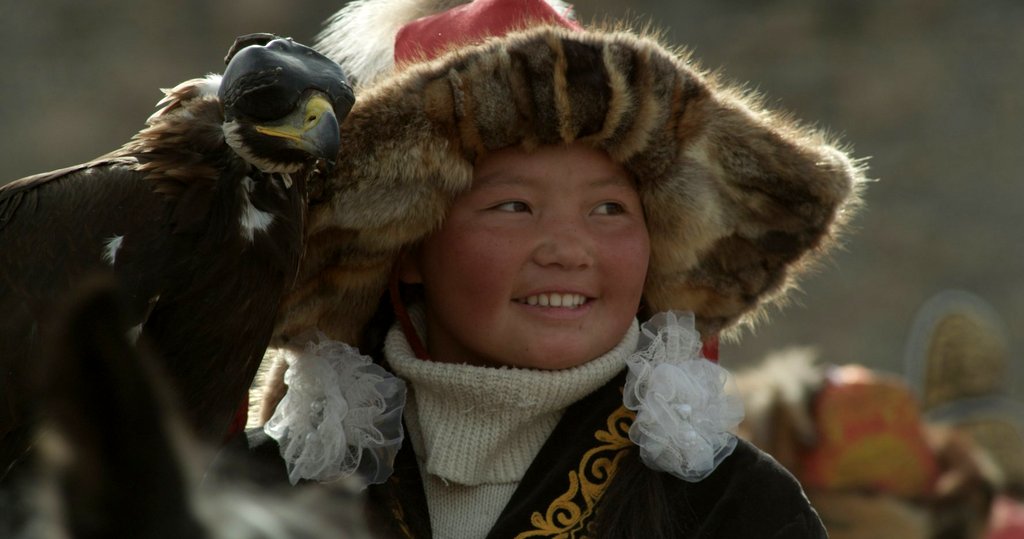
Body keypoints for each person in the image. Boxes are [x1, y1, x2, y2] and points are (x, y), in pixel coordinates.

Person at [232, 0, 867, 537]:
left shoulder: (734, 512)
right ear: (406, 250)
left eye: (610, 208)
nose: (569, 249)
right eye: (514, 206)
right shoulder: (264, 498)